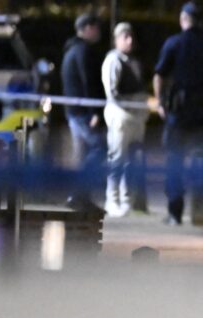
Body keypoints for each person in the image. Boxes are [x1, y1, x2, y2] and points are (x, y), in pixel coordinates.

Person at [153, 2, 203, 226]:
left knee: (174, 161)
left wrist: (160, 103)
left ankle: (174, 213)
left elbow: (159, 75)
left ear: (183, 20)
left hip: (178, 113)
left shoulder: (174, 43)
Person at [101, 22, 149, 217]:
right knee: (117, 158)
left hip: (135, 117)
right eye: (124, 37)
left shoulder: (133, 60)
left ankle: (126, 199)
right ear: (116, 39)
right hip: (121, 116)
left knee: (131, 160)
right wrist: (133, 105)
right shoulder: (113, 60)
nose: (129, 41)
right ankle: (112, 200)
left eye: (130, 36)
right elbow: (112, 92)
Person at [61, 11, 106, 208]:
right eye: (96, 27)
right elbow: (89, 81)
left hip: (73, 111)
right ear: (87, 28)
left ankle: (80, 196)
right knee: (99, 148)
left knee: (82, 154)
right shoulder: (84, 51)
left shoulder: (70, 50)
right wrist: (95, 111)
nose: (98, 31)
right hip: (84, 113)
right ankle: (78, 192)